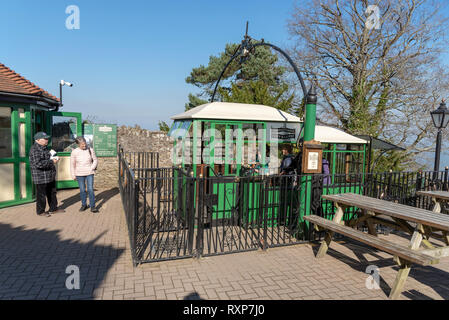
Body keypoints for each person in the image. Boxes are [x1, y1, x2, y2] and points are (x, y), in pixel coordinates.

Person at [29, 132, 65, 217]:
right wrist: (52, 161)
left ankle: (53, 209)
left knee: (52, 193)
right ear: (38, 140)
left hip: (49, 176)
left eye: (47, 138)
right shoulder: (34, 149)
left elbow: (49, 157)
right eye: (45, 139)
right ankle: (41, 211)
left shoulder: (46, 148)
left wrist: (54, 157)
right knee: (41, 195)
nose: (47, 140)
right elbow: (38, 164)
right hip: (40, 177)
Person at [70, 137, 99, 213]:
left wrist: (92, 167)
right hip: (79, 173)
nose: (84, 145)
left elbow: (95, 160)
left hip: (89, 173)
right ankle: (84, 205)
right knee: (82, 190)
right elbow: (72, 164)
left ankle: (93, 206)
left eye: (85, 143)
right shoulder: (74, 152)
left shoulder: (90, 150)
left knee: (90, 189)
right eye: (82, 144)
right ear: (78, 144)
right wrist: (73, 175)